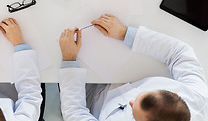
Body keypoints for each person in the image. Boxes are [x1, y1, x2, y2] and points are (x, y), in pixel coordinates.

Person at [58, 14, 208, 121]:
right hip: (125, 66)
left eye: (134, 114)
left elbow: (75, 112)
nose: (130, 101)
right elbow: (180, 53)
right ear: (175, 95)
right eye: (141, 94)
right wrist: (125, 33)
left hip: (89, 95)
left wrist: (69, 59)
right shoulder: (197, 98)